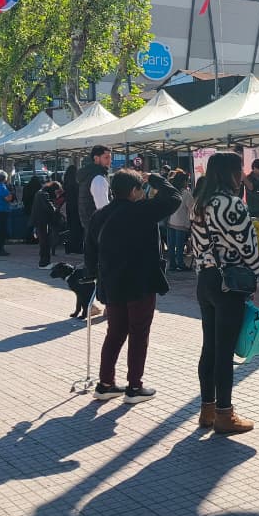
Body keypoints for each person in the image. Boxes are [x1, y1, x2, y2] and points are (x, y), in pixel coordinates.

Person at [84, 169, 181, 404]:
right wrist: (156, 178)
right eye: (141, 189)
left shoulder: (100, 215)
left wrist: (94, 276)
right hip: (140, 282)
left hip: (111, 283)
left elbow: (89, 250)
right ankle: (134, 386)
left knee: (115, 332)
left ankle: (105, 383)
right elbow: (174, 198)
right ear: (135, 191)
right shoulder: (142, 210)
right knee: (139, 333)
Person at [189, 152, 259, 434]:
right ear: (230, 172)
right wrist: (255, 277)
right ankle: (225, 414)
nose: (242, 175)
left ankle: (207, 409)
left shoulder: (200, 203)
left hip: (205, 279)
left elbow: (197, 245)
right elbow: (248, 247)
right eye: (239, 169)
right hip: (230, 282)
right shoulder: (232, 204)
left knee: (209, 347)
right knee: (225, 351)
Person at [77, 147, 112, 315]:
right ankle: (107, 304)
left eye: (109, 157)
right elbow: (103, 207)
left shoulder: (87, 176)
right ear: (96, 158)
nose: (109, 161)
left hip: (89, 225)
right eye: (106, 157)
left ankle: (91, 304)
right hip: (100, 228)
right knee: (104, 266)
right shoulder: (98, 178)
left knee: (92, 265)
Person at [165, 169, 194, 271]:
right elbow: (192, 208)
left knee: (171, 245)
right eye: (187, 181)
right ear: (184, 181)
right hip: (181, 222)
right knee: (180, 245)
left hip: (170, 221)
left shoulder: (172, 191)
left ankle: (172, 264)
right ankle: (181, 264)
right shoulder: (185, 193)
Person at [30, 179, 61, 269]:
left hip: (39, 220)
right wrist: (56, 210)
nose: (57, 195)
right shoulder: (44, 194)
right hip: (43, 221)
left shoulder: (40, 192)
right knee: (45, 242)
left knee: (43, 241)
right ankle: (44, 263)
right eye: (57, 192)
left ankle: (44, 262)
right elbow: (49, 207)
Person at [62, 163, 83, 254]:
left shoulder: (66, 182)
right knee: (78, 229)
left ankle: (70, 247)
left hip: (69, 207)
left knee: (71, 228)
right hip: (76, 207)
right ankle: (77, 248)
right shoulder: (76, 183)